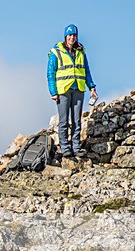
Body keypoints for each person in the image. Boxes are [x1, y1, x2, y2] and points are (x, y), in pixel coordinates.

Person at [48, 24, 98, 158]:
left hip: (78, 89)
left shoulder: (81, 52)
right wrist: (53, 92)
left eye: (74, 35)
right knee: (64, 121)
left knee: (77, 120)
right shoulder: (56, 52)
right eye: (70, 35)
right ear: (65, 37)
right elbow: (50, 73)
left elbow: (86, 71)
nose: (72, 38)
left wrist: (92, 87)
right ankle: (65, 148)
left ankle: (76, 147)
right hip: (63, 90)